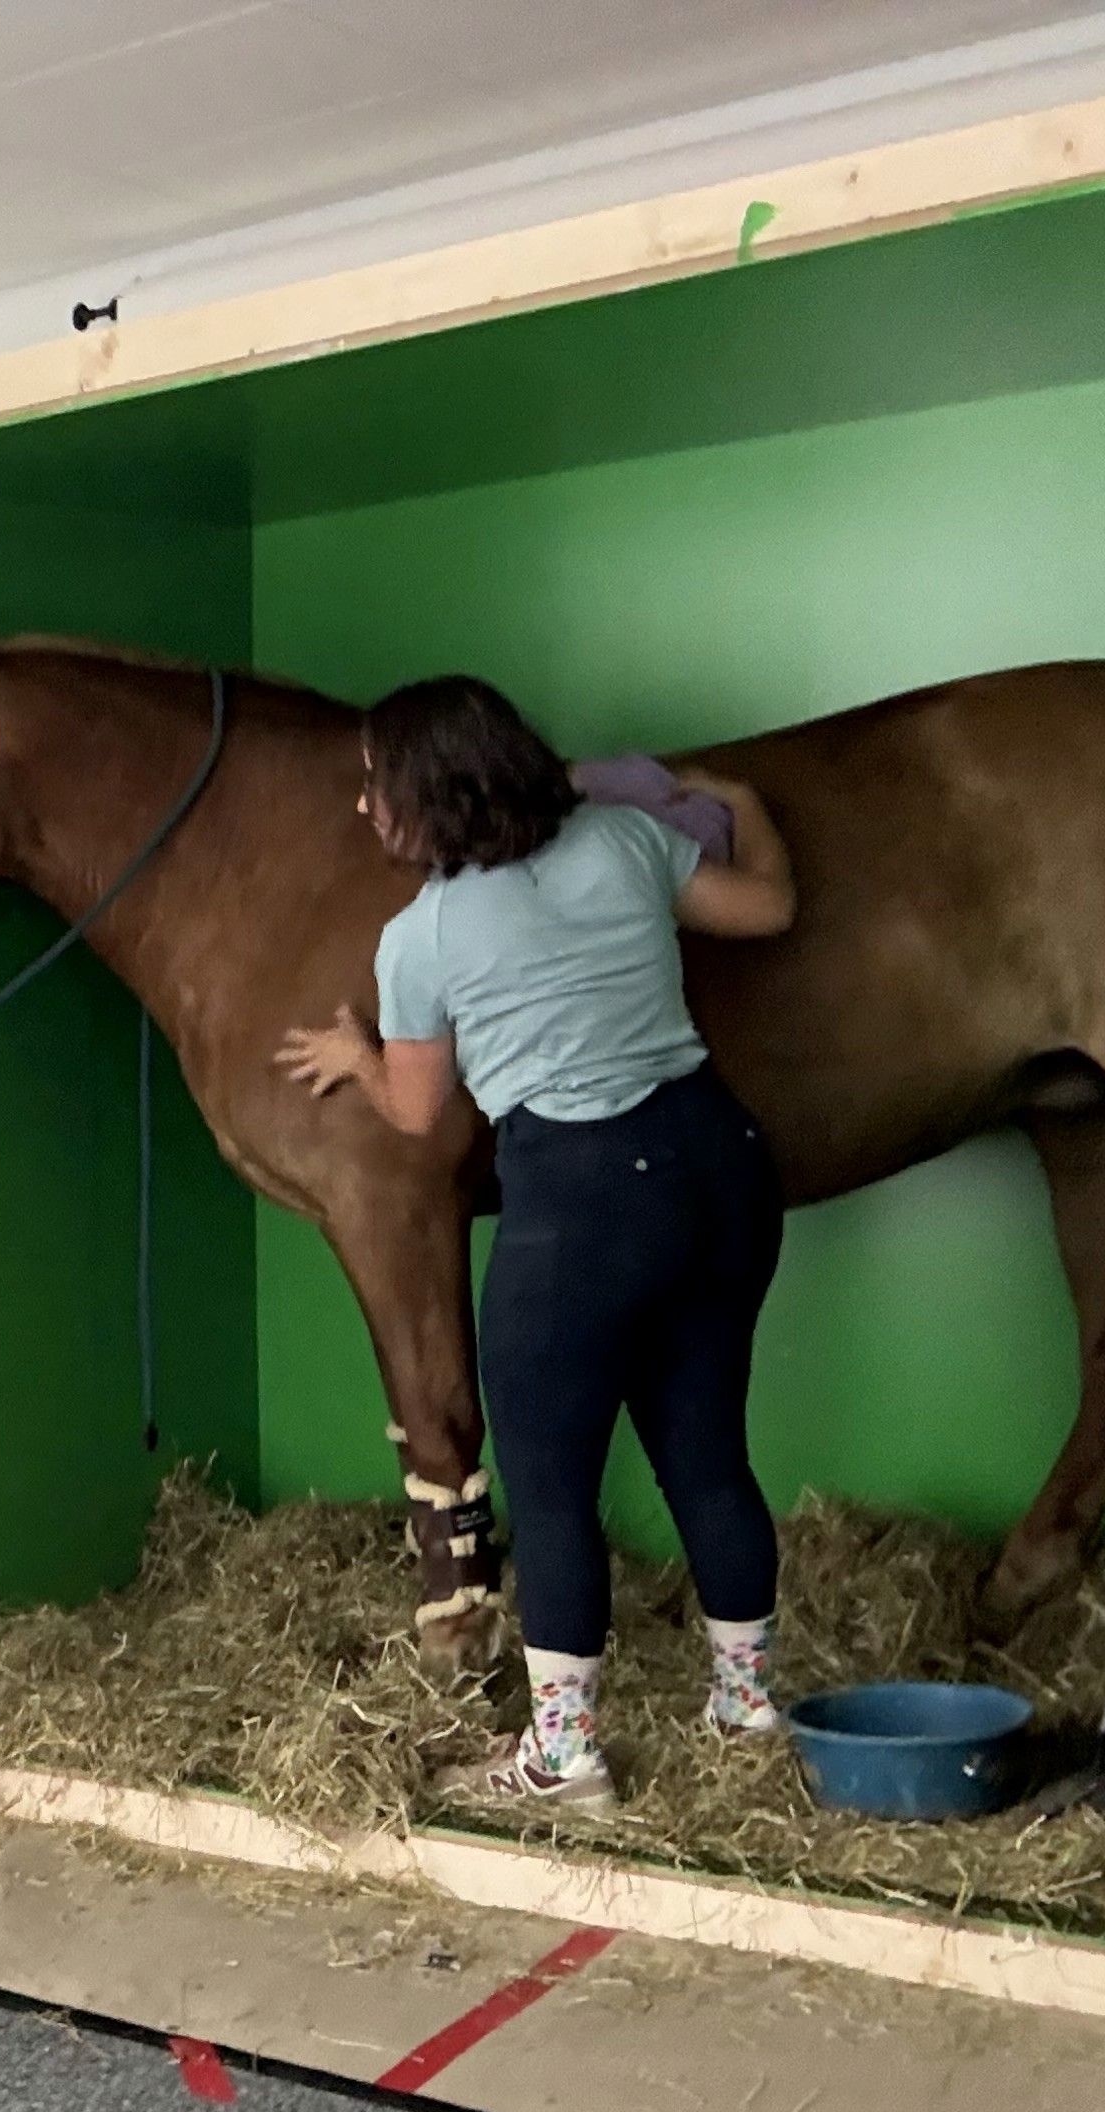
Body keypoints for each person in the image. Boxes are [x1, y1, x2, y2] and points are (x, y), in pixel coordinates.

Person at [272, 675, 799, 1807]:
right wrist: (747, 804)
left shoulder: (420, 938)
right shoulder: (624, 840)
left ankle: (566, 1759)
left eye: (376, 785)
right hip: (720, 1166)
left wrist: (358, 1058)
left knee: (552, 1489)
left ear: (431, 796)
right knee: (708, 1452)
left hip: (582, 1201)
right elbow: (768, 910)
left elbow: (418, 1112)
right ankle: (748, 1708)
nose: (365, 806)